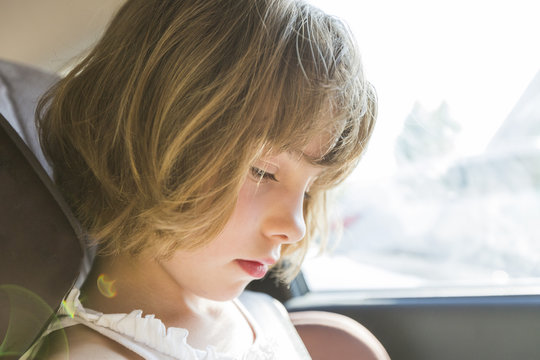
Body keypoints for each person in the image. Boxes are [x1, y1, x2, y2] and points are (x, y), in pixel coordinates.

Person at [24, 0, 377, 358]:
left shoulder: (272, 319)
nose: (295, 227)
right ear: (148, 141)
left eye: (308, 192)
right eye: (262, 171)